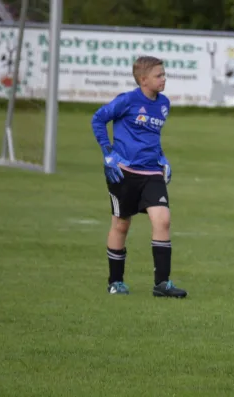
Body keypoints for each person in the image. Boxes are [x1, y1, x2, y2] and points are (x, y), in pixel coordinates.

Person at [90, 55, 187, 298]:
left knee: (162, 220)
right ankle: (116, 282)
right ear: (143, 80)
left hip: (151, 172)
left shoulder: (164, 104)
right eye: (159, 75)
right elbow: (98, 119)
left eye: (164, 74)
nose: (164, 79)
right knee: (121, 224)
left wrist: (162, 158)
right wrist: (107, 153)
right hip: (122, 172)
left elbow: (152, 137)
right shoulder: (127, 100)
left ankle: (162, 284)